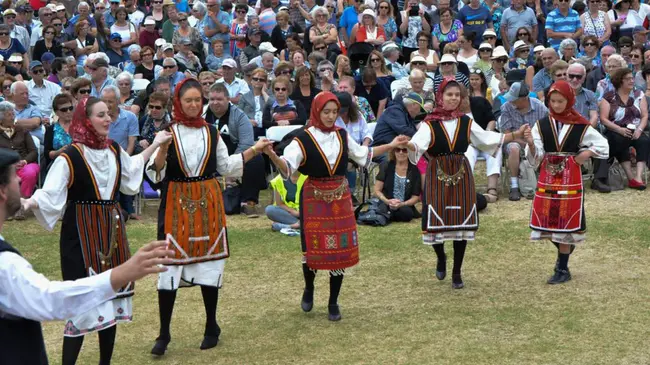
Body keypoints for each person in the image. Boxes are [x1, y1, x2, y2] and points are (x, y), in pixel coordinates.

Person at [21, 94, 172, 365]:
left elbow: (132, 171)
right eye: (100, 115)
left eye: (108, 114)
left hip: (110, 229)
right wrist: (29, 201)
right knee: (80, 302)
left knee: (110, 295)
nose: (107, 119)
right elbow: (50, 192)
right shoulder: (70, 155)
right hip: (80, 232)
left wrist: (156, 145)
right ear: (86, 120)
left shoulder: (113, 149)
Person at [145, 78, 271, 355]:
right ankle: (164, 333)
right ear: (178, 102)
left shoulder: (213, 133)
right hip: (175, 203)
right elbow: (156, 174)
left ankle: (211, 324)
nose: (193, 105)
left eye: (197, 100)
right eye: (187, 100)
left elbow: (226, 166)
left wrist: (255, 150)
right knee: (169, 267)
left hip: (208, 201)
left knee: (208, 264)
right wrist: (163, 149)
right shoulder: (166, 132)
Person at [263, 91, 407, 320]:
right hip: (314, 196)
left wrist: (390, 145)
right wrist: (272, 155)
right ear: (317, 112)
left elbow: (363, 155)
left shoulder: (342, 135)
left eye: (334, 112)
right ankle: (309, 288)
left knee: (339, 250)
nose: (331, 117)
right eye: (326, 112)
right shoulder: (303, 138)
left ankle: (333, 302)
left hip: (340, 196)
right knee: (311, 248)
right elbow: (288, 168)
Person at [406, 78, 528, 289]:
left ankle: (457, 272)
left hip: (461, 173)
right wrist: (406, 144)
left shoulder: (466, 121)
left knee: (461, 222)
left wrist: (515, 135)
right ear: (440, 96)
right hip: (438, 174)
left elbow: (487, 139)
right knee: (436, 221)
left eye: (457, 95)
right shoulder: (429, 123)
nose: (453, 98)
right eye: (449, 94)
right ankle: (441, 257)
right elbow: (417, 144)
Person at [524, 80, 609, 284]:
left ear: (569, 100)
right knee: (549, 221)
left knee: (565, 222)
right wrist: (530, 144)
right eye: (552, 101)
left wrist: (585, 154)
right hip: (548, 176)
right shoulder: (542, 124)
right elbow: (536, 153)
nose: (556, 105)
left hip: (570, 177)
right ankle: (565, 254)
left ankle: (562, 268)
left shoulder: (580, 124)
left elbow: (602, 144)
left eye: (560, 101)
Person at [204, 83, 267, 217]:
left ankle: (248, 202)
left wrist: (232, 166)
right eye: (212, 99)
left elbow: (246, 144)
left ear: (228, 99)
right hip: (209, 157)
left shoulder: (240, 116)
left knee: (256, 158)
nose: (215, 103)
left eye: (219, 99)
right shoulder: (202, 115)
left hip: (234, 155)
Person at [600, 67, 650, 190]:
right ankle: (630, 177)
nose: (632, 81)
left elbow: (644, 116)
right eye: (628, 79)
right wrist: (619, 129)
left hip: (635, 128)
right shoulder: (608, 97)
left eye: (632, 78)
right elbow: (603, 119)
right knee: (621, 140)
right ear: (619, 81)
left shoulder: (639, 94)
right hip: (615, 129)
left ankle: (638, 177)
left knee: (644, 141)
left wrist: (639, 130)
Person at [500, 81, 549, 201]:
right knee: (513, 148)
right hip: (514, 141)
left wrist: (532, 142)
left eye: (514, 99)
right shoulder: (506, 107)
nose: (511, 101)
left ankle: (543, 180)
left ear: (525, 98)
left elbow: (546, 130)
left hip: (537, 141)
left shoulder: (540, 107)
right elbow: (506, 133)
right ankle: (514, 185)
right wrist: (526, 142)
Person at [0, 101, 38, 220]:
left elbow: (33, 151)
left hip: (24, 164)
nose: (13, 117)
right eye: (9, 115)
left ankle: (20, 205)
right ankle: (6, 207)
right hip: (4, 166)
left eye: (13, 114)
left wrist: (24, 161)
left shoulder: (22, 130)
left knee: (30, 172)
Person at [373, 147, 421, 222]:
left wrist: (402, 204)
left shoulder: (415, 170)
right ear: (394, 152)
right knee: (383, 209)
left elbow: (415, 197)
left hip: (404, 205)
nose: (401, 152)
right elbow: (376, 190)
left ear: (410, 153)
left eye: (404, 150)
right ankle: (386, 213)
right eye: (398, 150)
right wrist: (387, 201)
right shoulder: (386, 165)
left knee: (407, 213)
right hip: (386, 202)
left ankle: (387, 215)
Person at [239, 67, 275, 138]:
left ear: (265, 82)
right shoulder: (244, 97)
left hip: (267, 127)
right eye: (255, 79)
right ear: (251, 81)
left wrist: (264, 93)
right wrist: (248, 121)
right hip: (250, 128)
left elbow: (273, 106)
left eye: (261, 80)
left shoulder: (269, 96)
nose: (258, 81)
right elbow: (239, 115)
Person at [44, 94, 74, 168]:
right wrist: (58, 152)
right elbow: (46, 153)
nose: (68, 111)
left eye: (70, 108)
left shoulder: (79, 127)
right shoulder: (51, 130)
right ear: (56, 112)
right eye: (64, 110)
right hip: (58, 164)